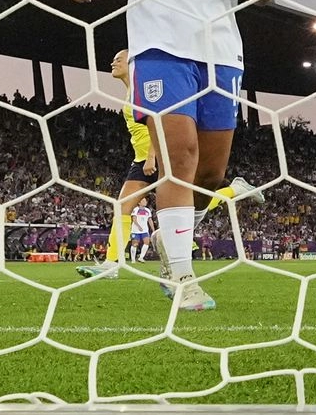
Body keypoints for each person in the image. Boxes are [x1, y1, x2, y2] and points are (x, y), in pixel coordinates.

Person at [64, 0, 278, 311]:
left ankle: (169, 238)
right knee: (180, 157)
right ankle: (183, 277)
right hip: (160, 51)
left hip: (222, 55)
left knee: (210, 175)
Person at [75, 48, 263, 281]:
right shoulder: (129, 92)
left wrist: (153, 156)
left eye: (118, 59)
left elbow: (157, 121)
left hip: (158, 157)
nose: (113, 63)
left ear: (132, 63)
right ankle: (111, 264)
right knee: (122, 206)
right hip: (141, 159)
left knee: (188, 203)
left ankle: (234, 190)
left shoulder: (142, 88)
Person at [130, 196, 154, 263]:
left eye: (145, 201)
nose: (145, 202)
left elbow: (150, 220)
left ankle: (141, 257)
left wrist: (153, 229)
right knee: (135, 244)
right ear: (139, 203)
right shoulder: (136, 209)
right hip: (136, 230)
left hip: (145, 230)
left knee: (147, 242)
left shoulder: (148, 210)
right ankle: (133, 260)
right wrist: (138, 226)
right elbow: (134, 219)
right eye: (143, 201)